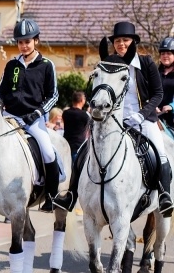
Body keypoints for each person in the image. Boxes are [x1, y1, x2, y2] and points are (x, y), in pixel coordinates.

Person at [55, 21, 170, 215]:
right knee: (84, 150)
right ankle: (72, 194)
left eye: (125, 40)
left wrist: (141, 115)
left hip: (143, 119)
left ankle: (164, 195)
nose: (121, 44)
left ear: (133, 42)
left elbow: (158, 93)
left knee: (160, 152)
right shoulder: (110, 61)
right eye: (118, 41)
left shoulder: (147, 62)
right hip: (114, 119)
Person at [0, 18, 61, 212]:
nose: (24, 46)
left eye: (27, 41)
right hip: (10, 116)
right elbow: (1, 92)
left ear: (36, 41)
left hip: (33, 118)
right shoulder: (11, 65)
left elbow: (53, 95)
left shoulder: (46, 65)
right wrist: (0, 105)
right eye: (20, 42)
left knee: (48, 151)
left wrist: (39, 113)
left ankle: (51, 195)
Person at [62, 91, 89, 162]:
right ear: (82, 100)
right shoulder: (84, 115)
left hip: (66, 143)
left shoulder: (66, 113)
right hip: (78, 145)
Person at [157, 37, 174, 127]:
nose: (165, 56)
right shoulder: (155, 73)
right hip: (156, 115)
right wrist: (153, 105)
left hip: (172, 118)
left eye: (169, 53)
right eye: (163, 53)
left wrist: (172, 106)